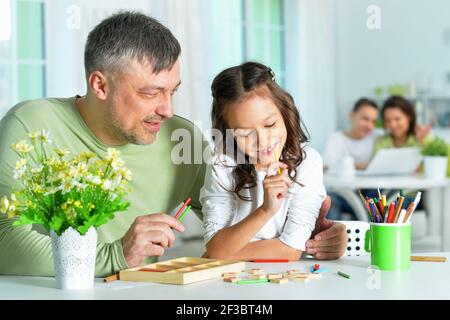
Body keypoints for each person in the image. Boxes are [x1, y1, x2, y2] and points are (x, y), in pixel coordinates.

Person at [0, 12, 347, 277]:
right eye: (150, 93)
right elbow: (3, 240)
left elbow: (228, 234)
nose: (167, 110)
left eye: (173, 91)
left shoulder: (181, 139)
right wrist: (115, 255)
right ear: (100, 85)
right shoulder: (33, 126)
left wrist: (309, 238)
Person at [200, 62, 327, 261]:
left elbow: (290, 251)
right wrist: (266, 210)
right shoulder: (222, 165)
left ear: (285, 113)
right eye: (244, 133)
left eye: (270, 124)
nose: (263, 140)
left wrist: (224, 251)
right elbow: (216, 249)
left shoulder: (307, 163)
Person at [323, 98, 380, 172]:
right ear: (352, 116)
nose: (370, 126)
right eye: (365, 119)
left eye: (373, 121)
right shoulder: (336, 138)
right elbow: (325, 167)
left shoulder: (377, 137)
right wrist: (358, 166)